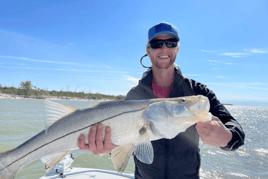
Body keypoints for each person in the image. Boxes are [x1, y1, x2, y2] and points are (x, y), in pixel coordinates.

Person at [78, 22, 245, 179]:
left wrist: (227, 137)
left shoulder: (198, 93)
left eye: (171, 43)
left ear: (177, 49)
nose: (164, 48)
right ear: (148, 51)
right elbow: (122, 141)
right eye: (157, 44)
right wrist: (106, 147)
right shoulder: (134, 95)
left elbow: (235, 130)